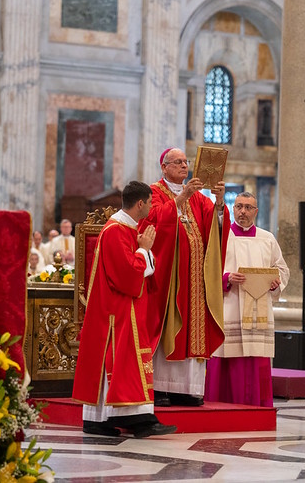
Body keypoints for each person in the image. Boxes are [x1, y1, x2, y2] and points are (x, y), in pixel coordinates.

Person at [72, 181, 176, 438]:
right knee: (123, 362)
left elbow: (138, 268)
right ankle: (133, 419)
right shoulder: (115, 231)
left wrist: (143, 250)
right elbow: (127, 275)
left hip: (126, 308)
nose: (151, 207)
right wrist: (144, 250)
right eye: (150, 203)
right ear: (140, 203)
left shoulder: (128, 228)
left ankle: (112, 418)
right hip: (117, 311)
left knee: (124, 363)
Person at [140, 147, 230, 407]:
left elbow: (214, 226)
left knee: (194, 328)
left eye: (185, 161)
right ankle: (160, 387)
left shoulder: (199, 198)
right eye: (177, 162)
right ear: (164, 167)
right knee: (165, 323)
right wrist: (182, 198)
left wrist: (220, 203)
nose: (183, 165)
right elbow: (151, 221)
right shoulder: (154, 192)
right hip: (168, 277)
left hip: (195, 279)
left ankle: (186, 389)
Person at [204, 192, 289, 407]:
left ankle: (256, 408)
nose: (243, 211)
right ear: (233, 209)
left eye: (248, 207)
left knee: (256, 358)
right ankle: (220, 406)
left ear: (256, 212)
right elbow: (208, 268)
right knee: (227, 357)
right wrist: (227, 278)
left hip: (258, 311)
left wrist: (275, 282)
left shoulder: (267, 238)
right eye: (239, 206)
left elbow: (281, 269)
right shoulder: (221, 237)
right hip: (230, 305)